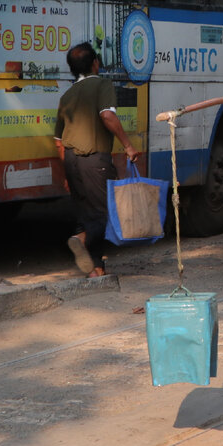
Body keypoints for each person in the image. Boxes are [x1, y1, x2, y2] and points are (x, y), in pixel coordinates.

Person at [54, 42, 139, 277]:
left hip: (71, 160)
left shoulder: (67, 95)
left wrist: (66, 174)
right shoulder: (102, 84)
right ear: (95, 64)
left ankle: (96, 270)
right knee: (106, 214)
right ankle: (80, 238)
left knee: (87, 214)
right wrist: (128, 145)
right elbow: (107, 116)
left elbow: (59, 141)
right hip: (95, 160)